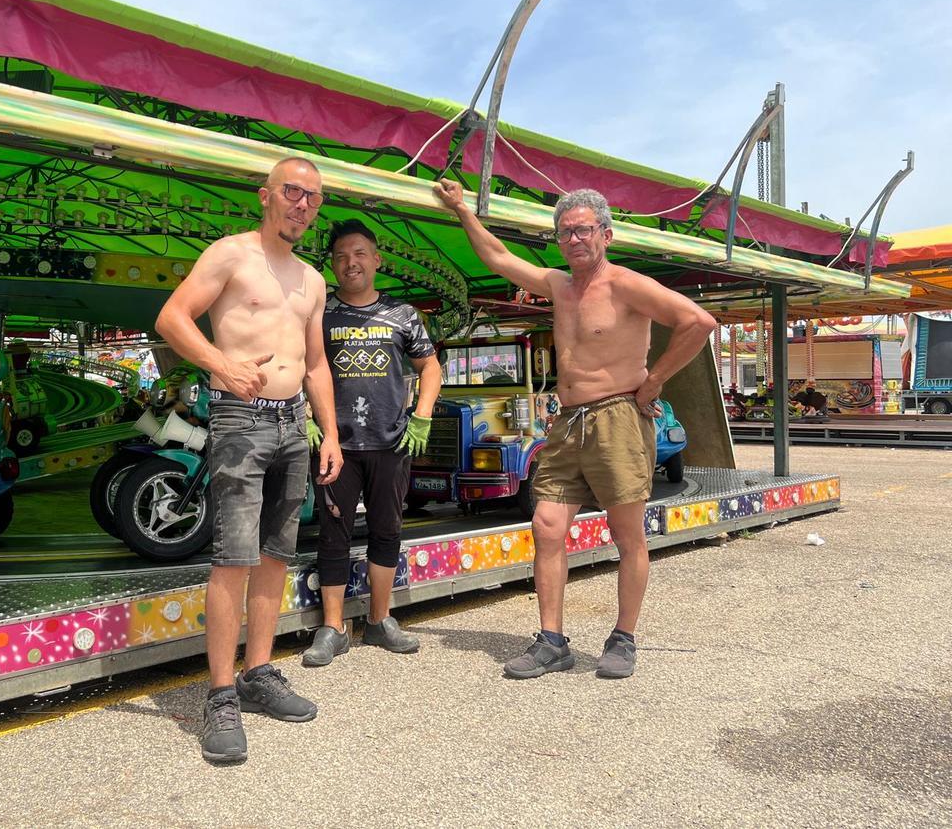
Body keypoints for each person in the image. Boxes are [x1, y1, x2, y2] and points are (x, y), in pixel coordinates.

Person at [434, 180, 716, 680]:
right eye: (565, 232)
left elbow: (697, 322)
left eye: (584, 230)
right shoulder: (559, 286)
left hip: (618, 417)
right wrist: (461, 209)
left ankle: (623, 637)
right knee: (546, 526)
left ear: (606, 235)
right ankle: (552, 641)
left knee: (626, 533)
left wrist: (653, 381)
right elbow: (498, 257)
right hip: (567, 421)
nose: (574, 239)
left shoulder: (626, 285)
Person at [155, 156, 343, 764]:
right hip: (240, 417)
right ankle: (219, 695)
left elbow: (316, 363)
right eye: (292, 191)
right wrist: (221, 364)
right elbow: (171, 317)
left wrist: (330, 434)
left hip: (293, 423)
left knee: (275, 555)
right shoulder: (231, 254)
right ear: (266, 195)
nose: (302, 204)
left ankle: (258, 673)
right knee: (232, 559)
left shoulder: (312, 280)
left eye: (313, 197)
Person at [300, 219, 443, 667]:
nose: (351, 263)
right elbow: (301, 365)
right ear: (332, 264)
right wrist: (307, 415)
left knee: (387, 530)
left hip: (391, 442)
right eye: (341, 256)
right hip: (335, 446)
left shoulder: (403, 314)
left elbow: (430, 367)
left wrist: (422, 416)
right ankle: (333, 628)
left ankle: (380, 620)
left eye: (360, 253)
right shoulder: (321, 313)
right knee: (333, 534)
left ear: (376, 259)